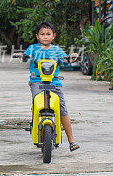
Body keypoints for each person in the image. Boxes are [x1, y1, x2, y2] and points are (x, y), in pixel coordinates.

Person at [14, 21, 80, 151]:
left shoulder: (57, 50)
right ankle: (34, 124)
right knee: (37, 103)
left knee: (62, 110)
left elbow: (66, 60)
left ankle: (71, 141)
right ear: (37, 36)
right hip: (37, 81)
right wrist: (21, 56)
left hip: (54, 82)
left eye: (48, 34)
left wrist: (72, 57)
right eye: (42, 34)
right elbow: (25, 57)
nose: (45, 36)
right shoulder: (32, 48)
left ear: (53, 36)